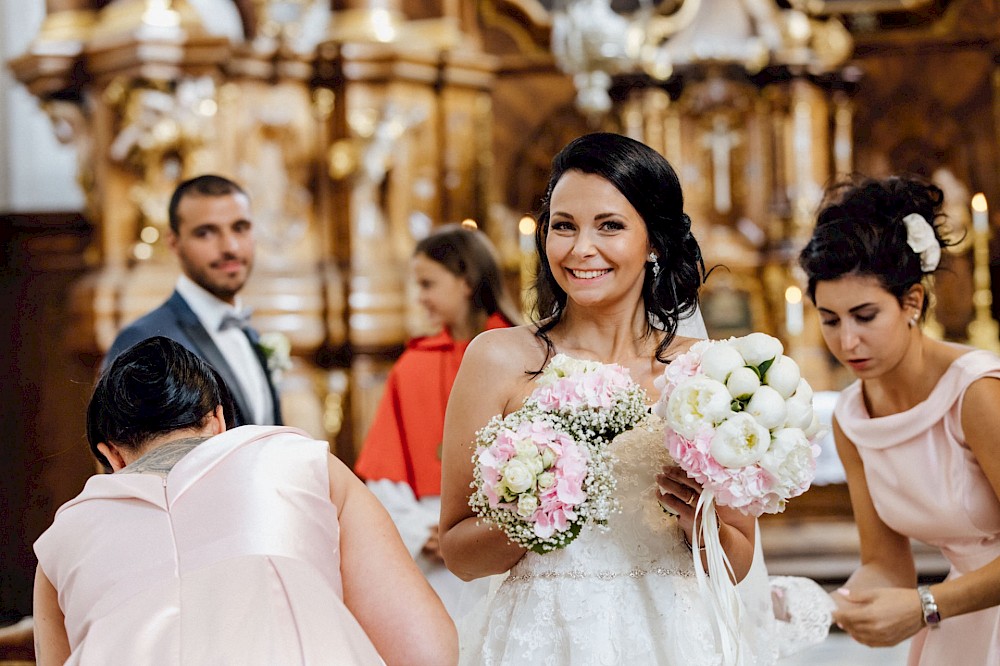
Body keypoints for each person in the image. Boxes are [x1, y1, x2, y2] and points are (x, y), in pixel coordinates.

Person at [439, 132, 828, 664]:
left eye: (610, 226)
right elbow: (459, 552)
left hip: (675, 636)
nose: (580, 249)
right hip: (543, 638)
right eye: (564, 226)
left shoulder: (707, 375)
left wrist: (700, 527)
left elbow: (737, 563)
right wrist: (539, 510)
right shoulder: (497, 359)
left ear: (655, 243)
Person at [32, 336, 457, 666]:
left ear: (111, 456)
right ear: (217, 421)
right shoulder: (300, 463)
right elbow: (424, 652)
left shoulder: (60, 541)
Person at [799, 175, 1000, 663]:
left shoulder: (974, 392)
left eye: (865, 316)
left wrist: (927, 605)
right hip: (960, 621)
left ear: (911, 302)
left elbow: (916, 597)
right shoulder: (850, 418)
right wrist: (814, 607)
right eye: (830, 319)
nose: (847, 342)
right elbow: (885, 566)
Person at [354, 224, 521, 617]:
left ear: (465, 280)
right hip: (430, 552)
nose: (420, 298)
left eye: (428, 284)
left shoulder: (525, 355)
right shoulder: (411, 366)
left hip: (509, 543)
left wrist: (482, 532)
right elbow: (383, 475)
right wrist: (424, 531)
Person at [105, 174, 282, 426]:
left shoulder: (250, 335)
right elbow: (131, 455)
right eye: (206, 233)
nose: (230, 246)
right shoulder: (143, 340)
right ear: (174, 243)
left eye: (240, 227)